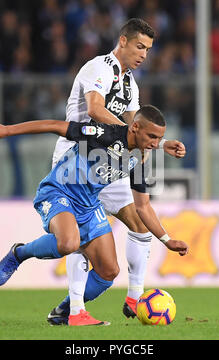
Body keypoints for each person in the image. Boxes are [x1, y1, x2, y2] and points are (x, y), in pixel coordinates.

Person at [0, 105, 189, 326]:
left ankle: (64, 312)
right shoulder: (104, 134)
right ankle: (20, 253)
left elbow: (143, 207)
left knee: (108, 272)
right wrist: (7, 131)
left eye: (160, 138)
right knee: (69, 242)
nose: (156, 144)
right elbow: (55, 125)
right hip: (58, 192)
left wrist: (166, 240)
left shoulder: (138, 159)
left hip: (88, 205)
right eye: (152, 137)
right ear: (135, 127)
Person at [46, 18, 186, 325]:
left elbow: (138, 128)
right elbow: (96, 109)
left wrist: (158, 146)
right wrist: (127, 138)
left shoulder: (130, 84)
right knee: (82, 234)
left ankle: (134, 299)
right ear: (122, 41)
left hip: (108, 162)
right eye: (139, 46)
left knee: (139, 222)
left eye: (148, 50)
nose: (143, 54)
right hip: (77, 160)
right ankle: (76, 309)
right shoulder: (99, 68)